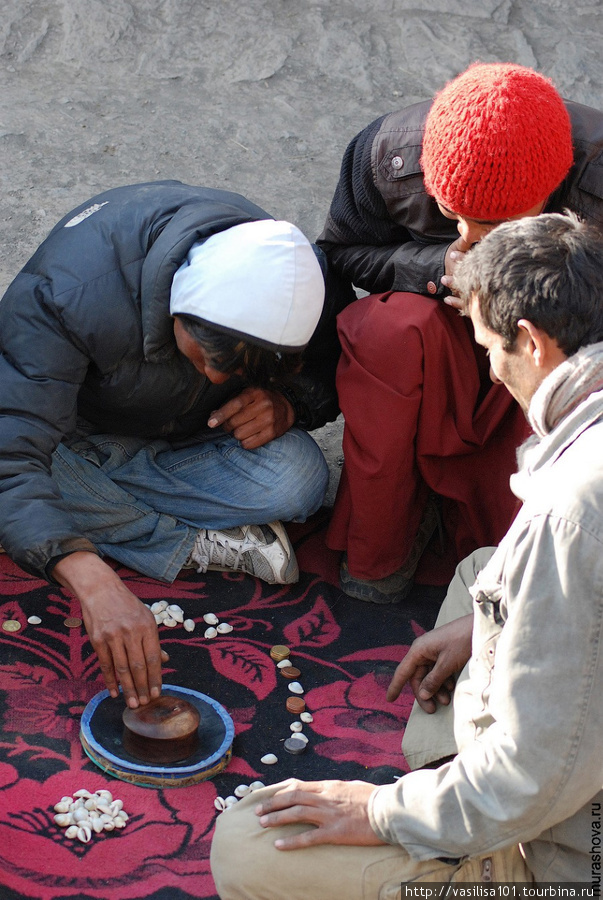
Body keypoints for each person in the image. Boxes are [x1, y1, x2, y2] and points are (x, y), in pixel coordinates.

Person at [210, 212, 603, 894]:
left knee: (248, 842)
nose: (490, 367)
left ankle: (467, 844)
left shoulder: (573, 512)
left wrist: (380, 810)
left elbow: (534, 779)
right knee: (482, 573)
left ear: (532, 344)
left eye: (489, 349)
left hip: (571, 853)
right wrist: (487, 622)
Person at [0, 180, 353, 710]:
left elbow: (333, 367)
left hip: (189, 435)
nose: (214, 375)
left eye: (233, 369)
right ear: (180, 304)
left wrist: (292, 404)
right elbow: (11, 455)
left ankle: (99, 502)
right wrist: (91, 580)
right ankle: (180, 543)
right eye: (202, 354)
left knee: (299, 476)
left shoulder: (296, 279)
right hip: (69, 429)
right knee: (18, 477)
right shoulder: (68, 293)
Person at [317, 60, 603, 603]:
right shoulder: (387, 157)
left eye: (498, 227)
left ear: (555, 193)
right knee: (388, 330)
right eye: (453, 215)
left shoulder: (597, 182)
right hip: (436, 337)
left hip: (546, 349)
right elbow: (340, 254)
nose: (471, 240)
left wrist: (539, 300)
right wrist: (434, 264)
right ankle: (387, 538)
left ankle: (522, 553)